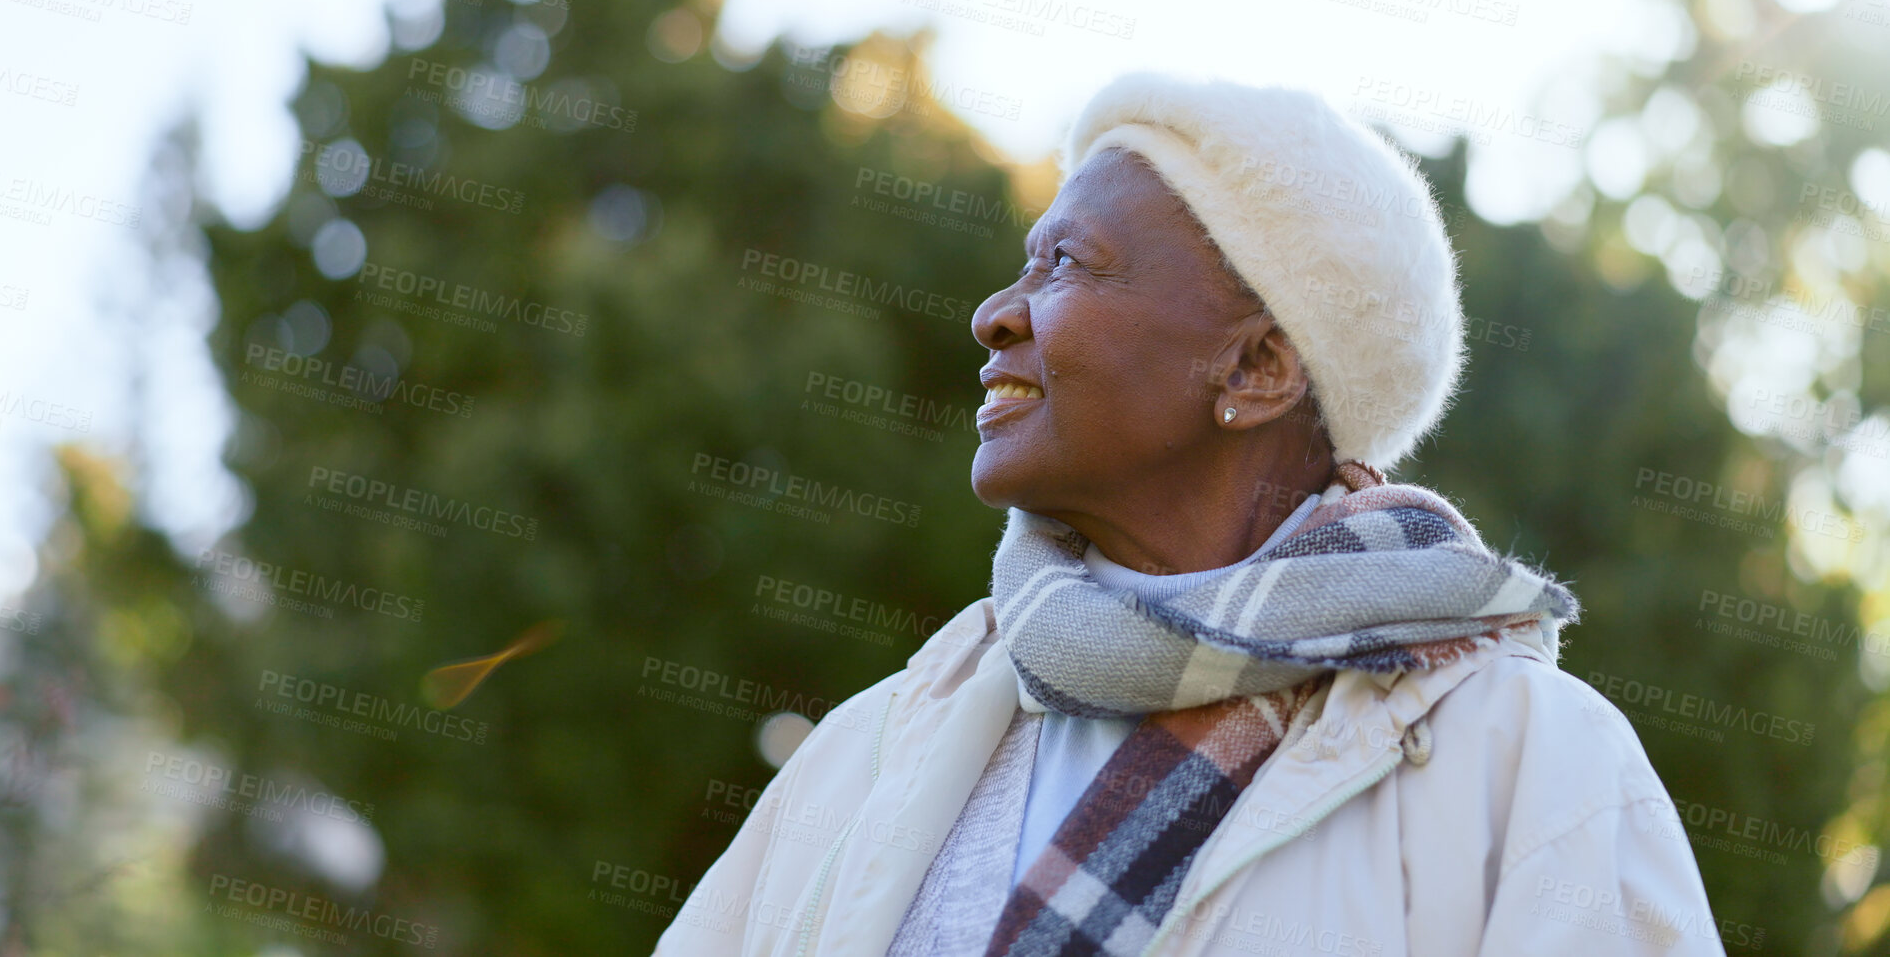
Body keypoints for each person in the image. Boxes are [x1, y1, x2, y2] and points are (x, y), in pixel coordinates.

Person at [655, 71, 1725, 956]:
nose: (992, 315)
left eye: (1067, 263)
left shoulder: (1530, 759)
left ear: (1258, 368)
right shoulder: (873, 742)